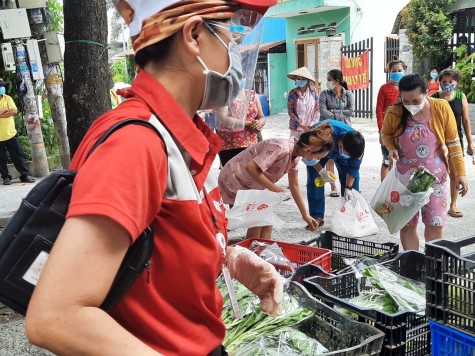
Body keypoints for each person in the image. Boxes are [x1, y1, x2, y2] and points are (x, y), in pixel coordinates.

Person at [25, 1, 283, 355]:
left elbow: (160, 250)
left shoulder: (178, 136)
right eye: (232, 38)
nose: (236, 56)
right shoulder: (136, 143)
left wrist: (233, 261)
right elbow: (56, 316)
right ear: (193, 35)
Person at [381, 73, 468, 251]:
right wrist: (391, 148)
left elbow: (453, 142)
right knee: (407, 224)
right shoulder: (395, 111)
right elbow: (386, 134)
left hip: (435, 178)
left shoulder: (441, 107)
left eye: (416, 100)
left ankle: (432, 268)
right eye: (406, 101)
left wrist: (460, 174)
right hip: (406, 178)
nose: (411, 105)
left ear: (427, 93)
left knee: (435, 223)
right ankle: (412, 265)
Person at [218, 123, 334, 239]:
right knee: (258, 221)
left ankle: (260, 251)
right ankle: (251, 253)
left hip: (250, 185)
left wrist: (305, 215)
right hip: (234, 179)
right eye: (318, 158)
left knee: (267, 221)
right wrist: (274, 188)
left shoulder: (295, 157)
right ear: (309, 151)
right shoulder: (280, 147)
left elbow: (294, 185)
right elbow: (251, 168)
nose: (317, 161)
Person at [305, 119, 365, 229]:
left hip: (338, 151)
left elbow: (353, 168)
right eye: (346, 153)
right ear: (340, 145)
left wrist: (348, 187)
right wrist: (321, 171)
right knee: (315, 180)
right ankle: (316, 217)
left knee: (352, 187)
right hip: (318, 149)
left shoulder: (357, 145)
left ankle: (350, 215)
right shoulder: (322, 134)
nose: (346, 155)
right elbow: (309, 157)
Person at [431, 69, 474, 218]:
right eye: (444, 81)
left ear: (457, 82)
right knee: (436, 172)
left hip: (456, 141)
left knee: (455, 174)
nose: (447, 84)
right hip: (437, 141)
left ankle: (453, 205)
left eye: (451, 81)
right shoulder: (433, 98)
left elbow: (466, 121)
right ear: (439, 82)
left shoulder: (460, 96)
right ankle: (435, 204)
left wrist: (470, 143)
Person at [319, 69, 355, 197]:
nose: (328, 82)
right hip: (328, 131)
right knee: (328, 159)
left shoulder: (348, 94)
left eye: (329, 79)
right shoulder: (324, 94)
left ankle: (348, 190)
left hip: (344, 132)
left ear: (337, 81)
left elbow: (351, 111)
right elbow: (323, 112)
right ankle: (333, 186)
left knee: (343, 158)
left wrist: (333, 111)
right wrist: (340, 114)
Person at [216, 88, 266, 165]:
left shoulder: (251, 94)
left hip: (251, 143)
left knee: (251, 173)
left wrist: (259, 123)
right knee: (233, 173)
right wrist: (247, 125)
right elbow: (223, 118)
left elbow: (261, 117)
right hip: (230, 145)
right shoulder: (224, 94)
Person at [376, 59, 407, 181]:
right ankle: (384, 191)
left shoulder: (408, 88)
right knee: (386, 161)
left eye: (399, 70)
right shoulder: (384, 88)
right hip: (387, 130)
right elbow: (379, 110)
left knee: (402, 161)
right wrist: (381, 131)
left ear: (405, 71)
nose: (397, 73)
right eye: (394, 71)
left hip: (404, 131)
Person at [0, 78, 35, 185]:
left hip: (11, 133)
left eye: (2, 86)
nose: (2, 88)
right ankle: (5, 177)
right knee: (1, 159)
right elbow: (9, 111)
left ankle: (24, 175)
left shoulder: (7, 98)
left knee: (18, 155)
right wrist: (5, 110)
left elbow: (14, 111)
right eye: (0, 86)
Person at [286, 66, 319, 139]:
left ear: (307, 80)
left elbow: (317, 109)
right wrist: (301, 125)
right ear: (295, 80)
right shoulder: (292, 93)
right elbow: (290, 112)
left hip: (311, 128)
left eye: (303, 79)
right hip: (296, 128)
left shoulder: (314, 92)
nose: (300, 80)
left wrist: (312, 124)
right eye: (298, 78)